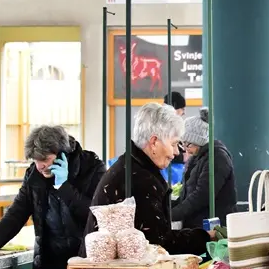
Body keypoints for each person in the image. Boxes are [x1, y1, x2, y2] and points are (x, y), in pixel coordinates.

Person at [83, 103, 211, 256]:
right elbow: (159, 242)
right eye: (174, 144)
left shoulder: (131, 168)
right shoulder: (139, 179)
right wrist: (205, 238)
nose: (176, 152)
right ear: (154, 142)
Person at [0, 125, 104, 269]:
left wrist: (63, 187)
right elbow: (15, 215)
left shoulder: (92, 167)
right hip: (48, 265)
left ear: (62, 154)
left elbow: (97, 216)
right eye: (35, 160)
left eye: (45, 159)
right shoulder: (34, 175)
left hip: (86, 263)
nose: (40, 166)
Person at [171, 108, 237, 229]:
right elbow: (187, 195)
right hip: (197, 227)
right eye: (183, 144)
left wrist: (172, 215)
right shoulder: (197, 158)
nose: (184, 148)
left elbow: (201, 196)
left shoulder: (217, 158)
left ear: (199, 141)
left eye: (188, 144)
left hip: (213, 230)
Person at [165, 92, 187, 167]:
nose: (184, 113)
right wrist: (183, 157)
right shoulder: (164, 128)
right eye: (182, 109)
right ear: (174, 108)